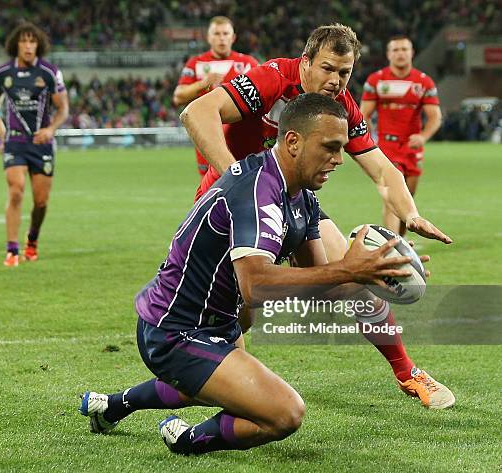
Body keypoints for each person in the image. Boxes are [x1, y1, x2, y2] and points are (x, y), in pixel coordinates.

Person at [79, 94, 428, 455]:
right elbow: (256, 287)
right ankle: (187, 440)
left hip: (215, 322)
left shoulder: (302, 197)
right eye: (330, 147)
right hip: (175, 330)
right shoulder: (257, 191)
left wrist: (372, 275)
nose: (339, 159)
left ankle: (112, 406)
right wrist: (347, 268)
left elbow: (319, 281)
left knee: (203, 385)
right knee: (284, 412)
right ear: (292, 141)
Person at [179, 24, 454, 408]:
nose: (336, 81)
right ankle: (132, 400)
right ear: (305, 62)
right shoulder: (273, 78)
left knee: (355, 274)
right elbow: (197, 111)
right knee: (236, 316)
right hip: (230, 206)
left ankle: (408, 372)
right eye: (328, 69)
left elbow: (383, 169)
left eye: (344, 72)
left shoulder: (341, 105)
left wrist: (411, 212)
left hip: (292, 201)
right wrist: (237, 182)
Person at [0, 22, 69, 267]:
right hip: (14, 141)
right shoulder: (2, 73)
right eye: (24, 41)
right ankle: (12, 250)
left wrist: (50, 129)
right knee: (15, 191)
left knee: (40, 202)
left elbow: (63, 108)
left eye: (33, 41)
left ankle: (32, 240)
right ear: (16, 44)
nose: (28, 46)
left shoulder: (49, 72)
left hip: (41, 143)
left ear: (38, 45)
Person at [361, 35, 442, 236]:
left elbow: (435, 117)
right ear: (388, 54)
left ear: (412, 53)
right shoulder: (376, 80)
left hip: (412, 148)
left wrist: (423, 137)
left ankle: (400, 240)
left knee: (408, 198)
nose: (400, 53)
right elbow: (364, 114)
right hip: (387, 147)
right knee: (392, 198)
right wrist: (371, 138)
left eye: (404, 49)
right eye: (395, 50)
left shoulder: (423, 82)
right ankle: (392, 245)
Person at [172, 16, 258, 176]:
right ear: (208, 37)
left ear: (233, 37)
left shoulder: (248, 63)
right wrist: (203, 83)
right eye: (217, 34)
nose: (221, 38)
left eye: (225, 33)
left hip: (241, 137)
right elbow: (178, 97)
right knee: (211, 186)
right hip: (208, 135)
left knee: (244, 183)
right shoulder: (196, 63)